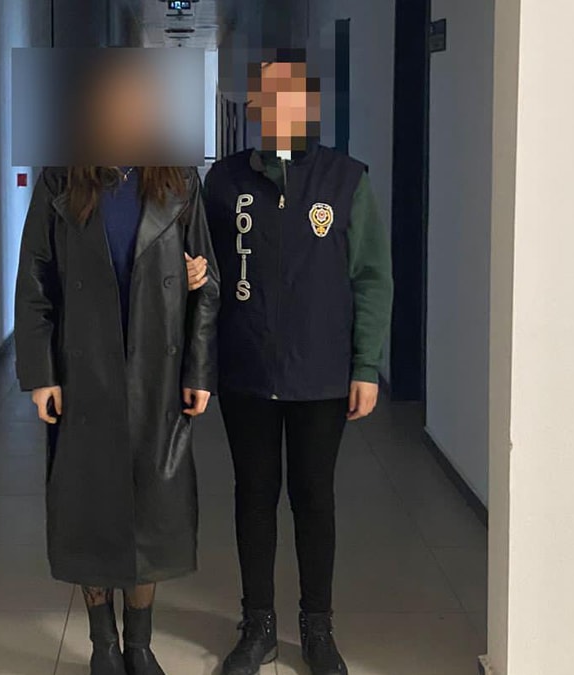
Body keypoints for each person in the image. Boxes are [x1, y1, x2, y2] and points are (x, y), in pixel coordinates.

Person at [14, 54, 220, 675]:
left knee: (152, 515)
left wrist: (199, 372)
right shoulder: (60, 181)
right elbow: (35, 281)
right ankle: (103, 643)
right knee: (91, 513)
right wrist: (41, 374)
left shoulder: (180, 181)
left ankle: (139, 645)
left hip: (158, 374)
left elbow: (207, 284)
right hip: (86, 374)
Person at [201, 50, 394, 675]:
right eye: (267, 97)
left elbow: (371, 276)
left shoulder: (345, 180)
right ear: (255, 107)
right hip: (246, 370)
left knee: (314, 497)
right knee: (254, 496)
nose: (278, 108)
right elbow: (203, 275)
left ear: (311, 104)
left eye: (292, 96)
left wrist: (366, 365)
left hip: (321, 374)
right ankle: (257, 624)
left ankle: (318, 627)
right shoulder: (224, 182)